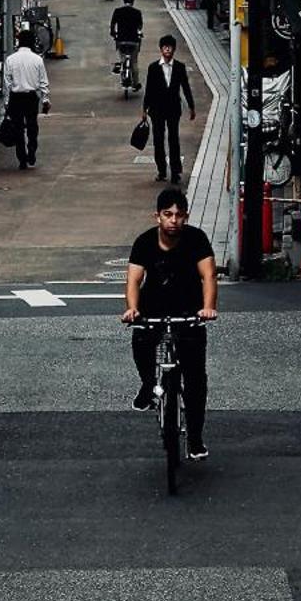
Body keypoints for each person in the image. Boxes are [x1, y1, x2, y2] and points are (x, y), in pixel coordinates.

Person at [123, 186, 217, 461]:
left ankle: (196, 439)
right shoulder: (144, 243)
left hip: (190, 311)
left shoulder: (196, 239)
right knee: (140, 339)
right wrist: (132, 309)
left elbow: (209, 276)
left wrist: (208, 308)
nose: (173, 220)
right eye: (168, 214)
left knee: (196, 379)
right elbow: (133, 281)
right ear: (157, 217)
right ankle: (147, 384)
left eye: (179, 215)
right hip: (153, 307)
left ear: (185, 217)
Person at [141, 34, 196, 185]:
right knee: (158, 140)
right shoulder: (153, 68)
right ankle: (161, 170)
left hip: (173, 109)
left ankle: (176, 172)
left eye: (169, 47)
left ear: (173, 49)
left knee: (174, 140)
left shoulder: (179, 67)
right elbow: (149, 89)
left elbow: (185, 88)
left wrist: (191, 106)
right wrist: (144, 109)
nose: (167, 49)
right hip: (156, 109)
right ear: (161, 49)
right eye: (164, 47)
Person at [0, 29, 49, 170]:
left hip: (16, 98)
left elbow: (7, 83)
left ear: (19, 42)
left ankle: (22, 159)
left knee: (18, 128)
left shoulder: (10, 59)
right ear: (32, 42)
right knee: (32, 126)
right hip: (31, 97)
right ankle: (31, 150)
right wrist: (45, 99)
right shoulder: (37, 60)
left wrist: (7, 102)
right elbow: (43, 82)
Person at [110, 0, 145, 94]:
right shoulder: (137, 12)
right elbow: (140, 26)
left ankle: (121, 65)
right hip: (133, 41)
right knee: (134, 62)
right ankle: (135, 83)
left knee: (122, 57)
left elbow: (112, 25)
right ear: (133, 0)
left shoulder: (117, 11)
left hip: (121, 40)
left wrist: (113, 34)